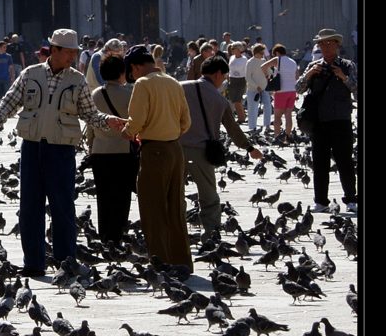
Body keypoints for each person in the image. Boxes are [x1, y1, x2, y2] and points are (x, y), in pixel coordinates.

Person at [0, 29, 126, 276]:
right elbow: (10, 100)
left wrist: (107, 121)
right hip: (32, 147)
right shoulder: (31, 74)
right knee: (30, 207)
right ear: (55, 50)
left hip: (61, 150)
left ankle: (65, 262)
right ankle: (34, 263)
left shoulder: (77, 80)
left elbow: (89, 114)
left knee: (63, 206)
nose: (73, 56)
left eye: (74, 52)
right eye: (69, 52)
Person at [120, 45, 193, 271]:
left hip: (154, 151)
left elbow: (137, 120)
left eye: (131, 72)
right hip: (175, 150)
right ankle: (181, 260)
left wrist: (127, 131)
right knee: (175, 207)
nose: (133, 77)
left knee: (153, 209)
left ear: (136, 66)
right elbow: (186, 122)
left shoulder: (144, 84)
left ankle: (160, 261)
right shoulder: (173, 82)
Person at [180, 56, 262, 235]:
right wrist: (249, 148)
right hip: (202, 152)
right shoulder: (219, 99)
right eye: (224, 77)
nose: (224, 81)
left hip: (176, 149)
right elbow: (232, 129)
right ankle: (212, 234)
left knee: (175, 195)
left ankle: (175, 231)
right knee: (208, 195)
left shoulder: (179, 88)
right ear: (218, 74)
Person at [295, 29, 358, 213]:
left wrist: (343, 77)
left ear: (337, 45)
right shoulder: (314, 65)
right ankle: (320, 201)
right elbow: (298, 89)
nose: (326, 47)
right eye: (322, 44)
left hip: (341, 120)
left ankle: (351, 199)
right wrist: (309, 75)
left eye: (329, 43)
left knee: (345, 161)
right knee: (319, 163)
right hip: (319, 121)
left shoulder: (348, 65)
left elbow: (356, 89)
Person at [87, 56, 139, 247]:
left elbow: (91, 125)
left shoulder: (95, 95)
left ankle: (105, 235)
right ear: (121, 73)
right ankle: (116, 236)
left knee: (103, 195)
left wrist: (91, 146)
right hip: (122, 151)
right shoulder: (129, 94)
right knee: (122, 195)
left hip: (100, 151)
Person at [262, 44, 298, 143]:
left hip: (281, 91)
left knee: (277, 116)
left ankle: (277, 137)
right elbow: (297, 76)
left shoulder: (278, 59)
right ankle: (287, 136)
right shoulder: (293, 61)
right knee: (288, 115)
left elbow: (263, 66)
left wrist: (268, 76)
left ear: (277, 52)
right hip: (292, 90)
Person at [245, 43, 271, 133]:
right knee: (253, 108)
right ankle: (252, 127)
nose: (263, 54)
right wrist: (256, 86)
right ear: (256, 52)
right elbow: (248, 77)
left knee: (268, 107)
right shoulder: (250, 62)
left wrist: (269, 74)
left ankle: (267, 126)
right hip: (253, 89)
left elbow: (270, 72)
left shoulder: (264, 61)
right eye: (261, 53)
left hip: (265, 88)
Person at [226, 42, 248, 124]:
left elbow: (246, 70)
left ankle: (241, 117)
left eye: (234, 48)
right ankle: (241, 115)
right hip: (232, 79)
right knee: (234, 99)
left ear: (239, 49)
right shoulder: (231, 57)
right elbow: (229, 68)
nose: (232, 50)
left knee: (238, 99)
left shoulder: (244, 59)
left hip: (241, 80)